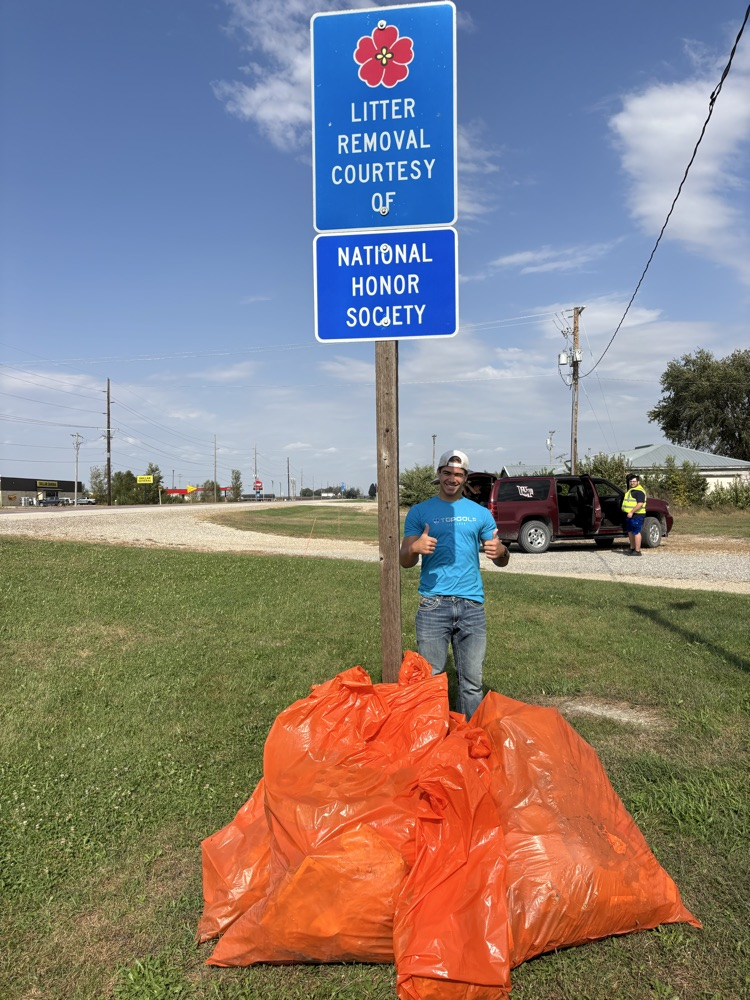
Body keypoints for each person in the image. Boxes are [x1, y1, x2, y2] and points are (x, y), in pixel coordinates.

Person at [399, 450, 509, 719]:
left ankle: (470, 740)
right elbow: (404, 560)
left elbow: (502, 559)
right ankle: (435, 740)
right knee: (432, 682)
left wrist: (501, 551)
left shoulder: (480, 513)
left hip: (472, 605)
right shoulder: (420, 511)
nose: (452, 478)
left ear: (465, 478)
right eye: (447, 473)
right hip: (433, 605)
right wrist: (415, 546)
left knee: (472, 684)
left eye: (458, 474)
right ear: (438, 475)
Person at [621, 472, 647, 555]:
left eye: (634, 481)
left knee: (636, 532)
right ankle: (632, 548)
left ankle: (638, 550)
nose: (632, 483)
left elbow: (640, 504)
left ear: (638, 482)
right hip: (630, 515)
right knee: (630, 531)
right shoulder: (631, 491)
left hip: (637, 515)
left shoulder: (639, 492)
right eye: (631, 481)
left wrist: (632, 512)